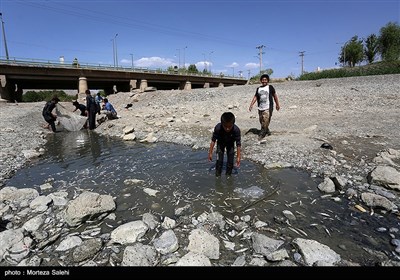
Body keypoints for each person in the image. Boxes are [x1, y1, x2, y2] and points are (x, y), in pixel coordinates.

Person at [208, 112, 241, 177]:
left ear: (233, 124)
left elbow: (238, 144)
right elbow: (213, 141)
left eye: (230, 126)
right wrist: (210, 153)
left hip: (230, 144)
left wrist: (238, 157)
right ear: (222, 123)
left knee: (230, 163)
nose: (227, 129)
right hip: (220, 144)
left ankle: (228, 177)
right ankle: (217, 176)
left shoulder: (236, 130)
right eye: (225, 126)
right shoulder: (218, 128)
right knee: (219, 162)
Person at [248, 74, 280, 140]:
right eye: (263, 80)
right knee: (261, 120)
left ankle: (262, 133)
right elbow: (256, 97)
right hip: (260, 107)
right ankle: (267, 130)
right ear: (261, 81)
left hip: (268, 107)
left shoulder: (270, 87)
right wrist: (251, 104)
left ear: (268, 80)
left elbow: (275, 96)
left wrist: (277, 104)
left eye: (265, 80)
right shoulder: (258, 89)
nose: (264, 81)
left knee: (266, 120)